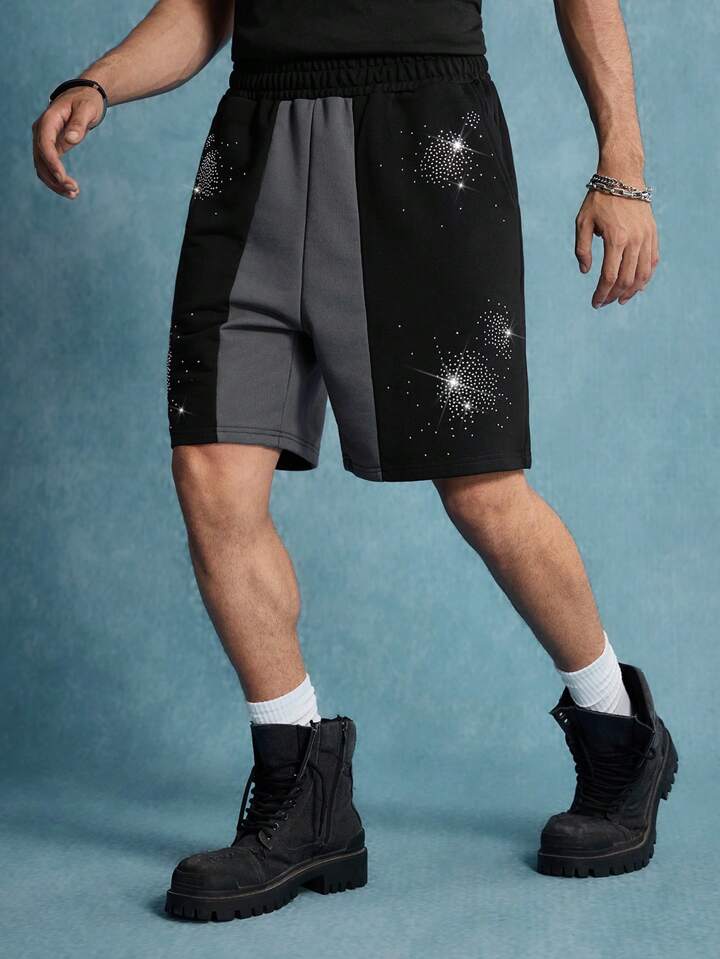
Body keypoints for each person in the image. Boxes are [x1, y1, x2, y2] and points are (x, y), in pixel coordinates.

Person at [33, 0, 676, 922]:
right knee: (211, 472)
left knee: (483, 491)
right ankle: (302, 790)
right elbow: (205, 8)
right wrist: (99, 82)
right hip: (254, 147)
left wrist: (624, 166)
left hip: (425, 137)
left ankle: (618, 730)